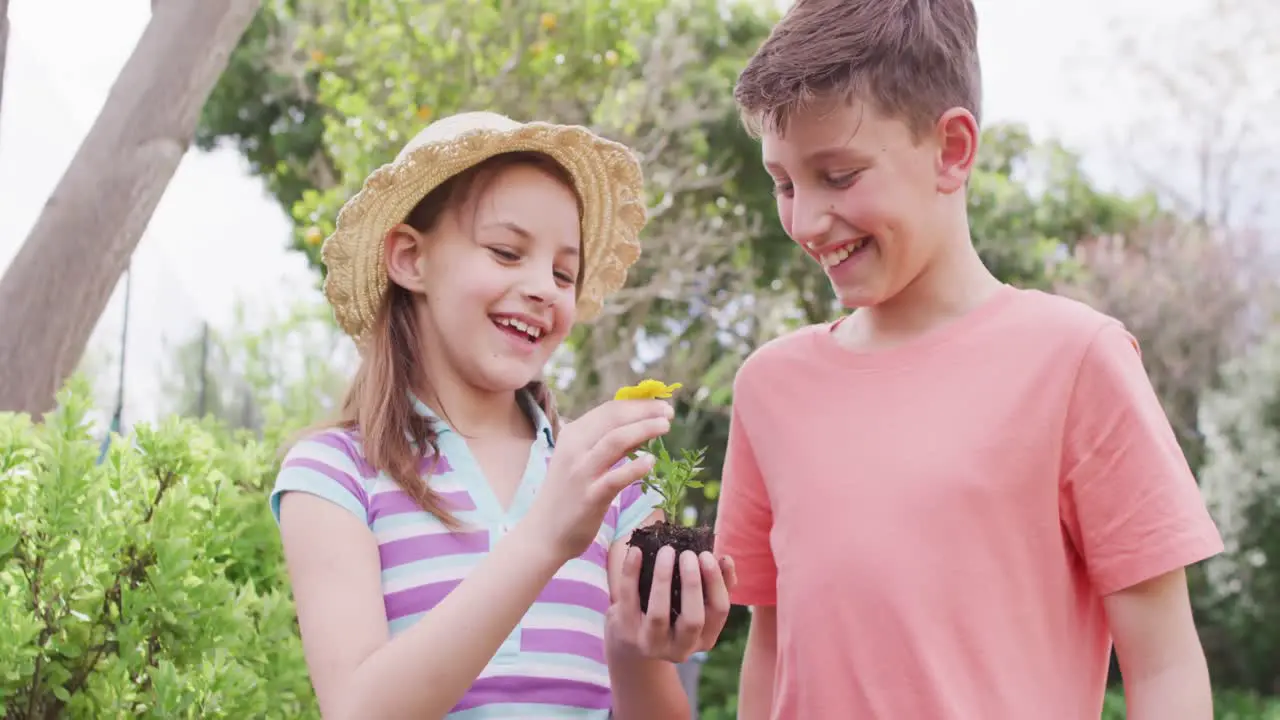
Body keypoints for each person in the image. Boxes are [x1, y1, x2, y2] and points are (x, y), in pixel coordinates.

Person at [712, 1, 1222, 719]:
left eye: (839, 175)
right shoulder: (769, 386)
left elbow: (1166, 667)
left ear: (952, 149)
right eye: (785, 183)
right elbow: (771, 649)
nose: (803, 221)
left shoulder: (1075, 360)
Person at [271, 111, 735, 719]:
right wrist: (544, 538)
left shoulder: (611, 483)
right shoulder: (336, 474)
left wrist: (633, 647)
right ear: (411, 259)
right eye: (506, 251)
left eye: (564, 272)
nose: (544, 286)